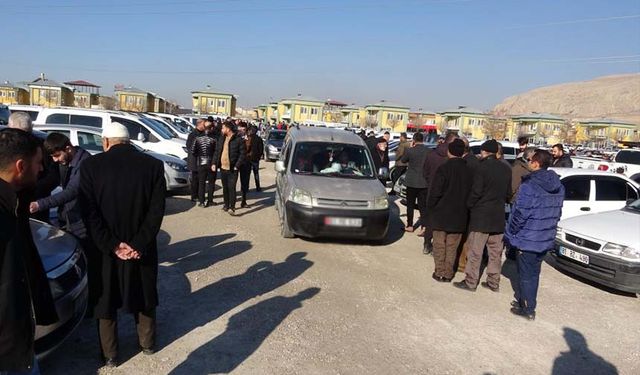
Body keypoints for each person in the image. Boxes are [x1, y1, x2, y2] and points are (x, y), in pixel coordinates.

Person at [78, 122, 166, 368]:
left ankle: (110, 354)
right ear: (128, 141)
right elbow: (156, 211)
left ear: (106, 142)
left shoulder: (91, 166)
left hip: (104, 249)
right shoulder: (152, 166)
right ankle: (147, 344)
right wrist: (138, 243)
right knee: (144, 293)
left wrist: (112, 245)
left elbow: (88, 212)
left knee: (105, 298)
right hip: (142, 248)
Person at [0, 128, 58, 375]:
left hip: (18, 348)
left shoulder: (14, 203)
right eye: (38, 163)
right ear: (21, 166)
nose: (42, 169)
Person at [505, 149, 564, 320]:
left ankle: (527, 308)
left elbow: (520, 214)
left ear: (536, 163)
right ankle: (527, 301)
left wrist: (512, 232)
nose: (528, 162)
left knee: (526, 274)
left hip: (528, 238)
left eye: (530, 160)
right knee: (533, 273)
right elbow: (558, 212)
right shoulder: (558, 186)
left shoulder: (529, 186)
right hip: (544, 237)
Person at [453, 139, 512, 292]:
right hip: (498, 217)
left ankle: (471, 281)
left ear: (484, 151)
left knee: (475, 251)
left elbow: (476, 192)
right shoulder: (506, 169)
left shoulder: (481, 167)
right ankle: (493, 282)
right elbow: (508, 194)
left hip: (481, 216)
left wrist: (469, 205)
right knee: (495, 253)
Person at [428, 139, 474, 282]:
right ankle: (448, 273)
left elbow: (435, 191)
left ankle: (439, 271)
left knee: (439, 244)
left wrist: (431, 207)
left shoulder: (443, 168)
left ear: (449, 151)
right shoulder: (469, 171)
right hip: (459, 214)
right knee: (452, 246)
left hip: (441, 213)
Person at [29, 133, 91, 239]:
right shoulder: (65, 162)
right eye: (52, 157)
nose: (55, 160)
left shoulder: (85, 163)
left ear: (68, 149)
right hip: (66, 220)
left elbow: (71, 191)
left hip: (81, 224)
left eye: (57, 156)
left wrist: (39, 204)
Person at [8, 112, 60, 223]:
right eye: (19, 133)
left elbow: (54, 177)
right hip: (8, 205)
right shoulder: (4, 146)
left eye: (27, 133)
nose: (23, 138)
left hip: (36, 208)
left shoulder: (42, 147)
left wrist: (33, 187)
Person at [422, 133, 457, 254]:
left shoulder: (431, 153)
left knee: (431, 219)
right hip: (447, 193)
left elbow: (425, 172)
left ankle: (427, 244)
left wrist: (430, 182)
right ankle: (439, 248)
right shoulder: (453, 157)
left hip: (431, 190)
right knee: (443, 222)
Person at [213, 121, 246, 215]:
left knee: (231, 188)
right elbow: (217, 151)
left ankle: (232, 207)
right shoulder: (222, 138)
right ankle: (226, 205)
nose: (222, 130)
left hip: (233, 168)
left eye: (223, 128)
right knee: (225, 188)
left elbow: (242, 154)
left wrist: (237, 165)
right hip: (223, 167)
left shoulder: (238, 139)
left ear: (228, 129)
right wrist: (214, 163)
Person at [399, 132, 429, 233]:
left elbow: (403, 160)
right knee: (422, 205)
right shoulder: (428, 151)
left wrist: (411, 148)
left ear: (414, 140)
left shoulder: (410, 150)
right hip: (424, 181)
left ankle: (410, 225)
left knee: (410, 205)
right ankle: (424, 227)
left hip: (411, 181)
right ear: (423, 140)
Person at [191, 120, 217, 207]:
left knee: (201, 182)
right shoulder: (214, 139)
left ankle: (201, 202)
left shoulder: (197, 138)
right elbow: (216, 152)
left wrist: (199, 155)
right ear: (210, 129)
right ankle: (210, 200)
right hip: (211, 162)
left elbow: (193, 151)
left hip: (201, 162)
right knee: (211, 182)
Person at [186, 119, 205, 202]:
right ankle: (194, 196)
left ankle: (199, 195)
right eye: (203, 124)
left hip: (201, 160)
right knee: (195, 179)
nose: (204, 126)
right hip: (195, 160)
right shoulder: (193, 135)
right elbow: (189, 147)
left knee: (200, 179)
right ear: (199, 124)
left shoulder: (203, 133)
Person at [237, 122, 252, 208]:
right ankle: (230, 203)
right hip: (235, 161)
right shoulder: (234, 136)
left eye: (243, 129)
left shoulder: (249, 137)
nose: (242, 130)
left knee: (245, 182)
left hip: (246, 162)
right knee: (232, 182)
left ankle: (243, 201)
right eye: (240, 128)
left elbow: (250, 148)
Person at [248, 125, 264, 192]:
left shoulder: (248, 138)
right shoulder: (259, 139)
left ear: (251, 131)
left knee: (247, 174)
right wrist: (259, 156)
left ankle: (246, 187)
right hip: (255, 158)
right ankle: (258, 187)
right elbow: (261, 149)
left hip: (248, 158)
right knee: (256, 173)